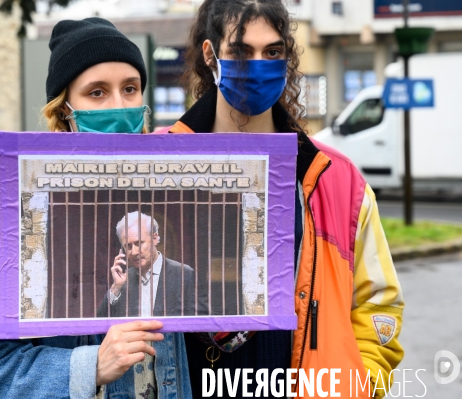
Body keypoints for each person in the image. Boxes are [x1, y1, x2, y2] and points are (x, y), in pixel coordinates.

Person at [162, 0, 405, 397]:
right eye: (241, 51)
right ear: (210, 55)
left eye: (272, 52)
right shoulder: (154, 163)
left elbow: (379, 305)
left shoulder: (338, 181)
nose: (259, 64)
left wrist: (356, 386)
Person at [0, 18, 192, 399]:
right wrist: (89, 367)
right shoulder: (20, 220)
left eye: (130, 89)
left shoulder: (167, 210)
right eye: (97, 93)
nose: (119, 105)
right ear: (64, 113)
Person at [97, 211, 195, 318]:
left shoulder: (184, 275)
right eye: (128, 246)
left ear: (155, 238)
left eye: (139, 243)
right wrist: (115, 288)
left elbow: (203, 326)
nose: (134, 252)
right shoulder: (124, 280)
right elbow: (99, 324)